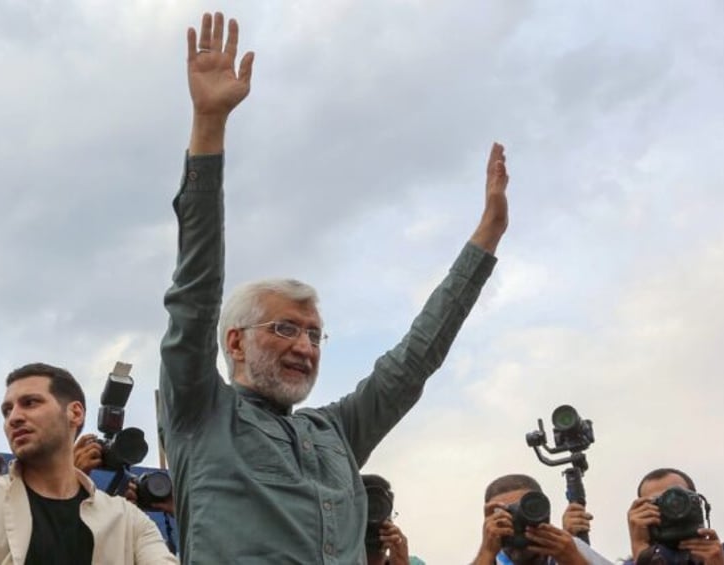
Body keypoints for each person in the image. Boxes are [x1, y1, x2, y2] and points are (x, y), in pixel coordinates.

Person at [158, 11, 510, 563]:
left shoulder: (337, 433)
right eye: (285, 328)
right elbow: (196, 289)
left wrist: (485, 240)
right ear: (234, 342)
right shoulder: (201, 413)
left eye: (316, 335)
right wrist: (209, 126)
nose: (305, 347)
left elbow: (412, 361)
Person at [0, 362, 175, 564]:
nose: (14, 417)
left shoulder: (129, 521)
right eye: (7, 410)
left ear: (75, 413)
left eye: (30, 403)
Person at [473, 474, 610, 565]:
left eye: (524, 513)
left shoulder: (569, 548)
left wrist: (572, 558)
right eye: (506, 515)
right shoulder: (490, 558)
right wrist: (486, 553)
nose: (517, 526)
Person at [627, 467, 724, 565]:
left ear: (698, 502)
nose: (671, 506)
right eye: (657, 502)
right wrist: (642, 553)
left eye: (678, 498)